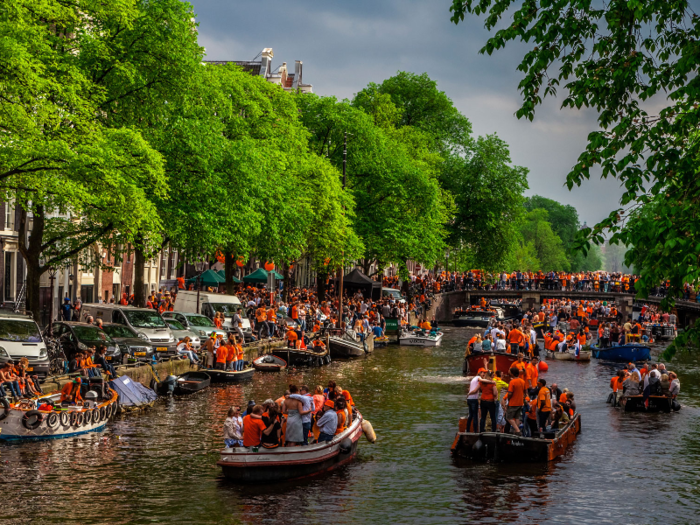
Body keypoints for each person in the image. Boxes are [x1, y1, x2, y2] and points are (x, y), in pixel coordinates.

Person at [505, 367, 526, 435]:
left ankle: (517, 430)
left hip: (513, 403)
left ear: (512, 373)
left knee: (508, 417)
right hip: (520, 402)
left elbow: (510, 393)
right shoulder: (522, 381)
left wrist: (508, 399)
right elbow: (525, 391)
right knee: (517, 417)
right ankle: (516, 430)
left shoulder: (512, 382)